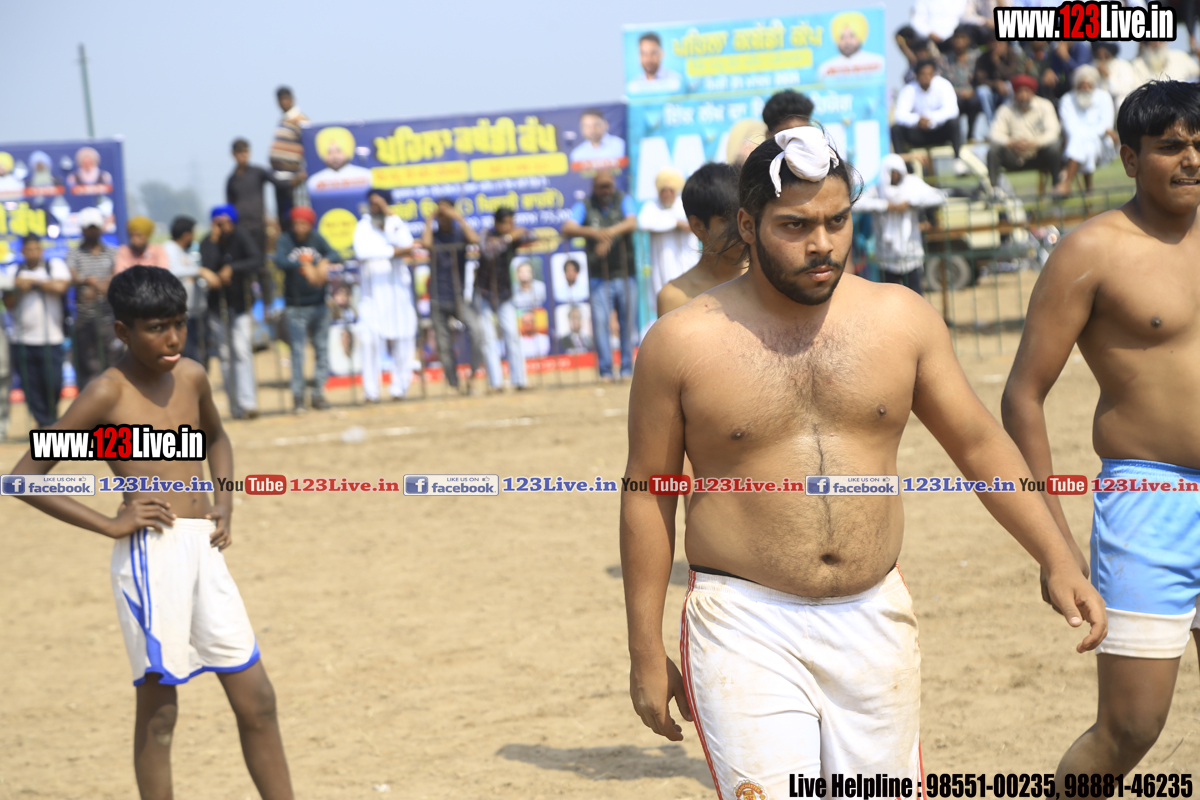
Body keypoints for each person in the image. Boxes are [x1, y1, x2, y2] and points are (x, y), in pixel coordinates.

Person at [621, 126, 1106, 796]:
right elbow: (648, 492)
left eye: (837, 221)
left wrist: (1055, 555)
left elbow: (977, 443)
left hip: (875, 614)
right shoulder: (680, 342)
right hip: (743, 621)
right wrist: (645, 649)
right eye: (795, 226)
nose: (821, 243)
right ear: (748, 224)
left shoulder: (901, 318)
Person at [8, 265, 294, 800]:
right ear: (123, 331)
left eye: (179, 323)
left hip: (204, 550)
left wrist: (224, 501)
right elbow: (22, 479)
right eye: (157, 327)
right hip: (150, 558)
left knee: (258, 699)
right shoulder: (106, 394)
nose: (173, 338)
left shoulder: (191, 376)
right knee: (161, 713)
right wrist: (109, 523)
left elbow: (216, 438)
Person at [1002, 80, 1200, 781]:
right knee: (1130, 728)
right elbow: (1023, 396)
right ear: (1129, 157)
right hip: (1151, 501)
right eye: (1171, 146)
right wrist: (1052, 539)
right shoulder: (1092, 250)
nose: (1191, 159)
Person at [560, 171, 638, 380]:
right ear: (594, 187)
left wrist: (608, 233)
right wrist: (594, 233)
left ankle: (626, 369)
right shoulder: (585, 205)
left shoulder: (623, 199)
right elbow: (568, 226)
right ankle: (605, 371)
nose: (606, 190)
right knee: (601, 324)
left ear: (613, 186)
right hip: (598, 277)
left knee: (627, 323)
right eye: (601, 186)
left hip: (626, 273)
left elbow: (632, 222)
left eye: (608, 186)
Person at [656, 162, 745, 317]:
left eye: (746, 217)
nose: (743, 229)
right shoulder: (675, 298)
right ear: (698, 226)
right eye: (728, 221)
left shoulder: (769, 280)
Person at [354, 190, 418, 403]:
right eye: (372, 204)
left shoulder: (395, 222)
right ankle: (371, 392)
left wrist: (389, 215)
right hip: (372, 294)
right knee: (369, 340)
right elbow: (362, 252)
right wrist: (393, 252)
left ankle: (400, 388)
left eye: (379, 204)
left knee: (404, 338)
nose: (375, 208)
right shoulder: (363, 226)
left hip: (398, 292)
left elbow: (408, 244)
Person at [200, 204, 260, 420]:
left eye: (226, 222)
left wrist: (233, 268)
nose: (223, 226)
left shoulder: (241, 236)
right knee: (225, 356)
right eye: (218, 223)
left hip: (240, 304)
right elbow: (207, 264)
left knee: (242, 351)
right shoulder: (208, 242)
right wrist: (214, 241)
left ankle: (248, 402)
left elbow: (256, 259)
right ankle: (234, 405)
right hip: (217, 307)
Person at [420, 198, 486, 394]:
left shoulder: (459, 233)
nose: (443, 217)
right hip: (437, 298)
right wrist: (431, 218)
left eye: (446, 212)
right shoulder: (433, 235)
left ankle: (473, 377)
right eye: (440, 213)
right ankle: (453, 384)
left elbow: (475, 240)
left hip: (459, 297)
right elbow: (425, 244)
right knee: (443, 344)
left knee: (476, 332)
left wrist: (458, 217)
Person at [277, 206, 339, 412]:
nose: (299, 227)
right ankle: (298, 397)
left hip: (319, 304)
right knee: (297, 352)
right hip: (296, 306)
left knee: (321, 349)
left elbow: (335, 253)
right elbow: (279, 260)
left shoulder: (316, 238)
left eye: (303, 223)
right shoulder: (286, 239)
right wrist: (304, 265)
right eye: (296, 223)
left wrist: (323, 261)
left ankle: (318, 394)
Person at [4, 234, 70, 427]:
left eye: (36, 249)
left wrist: (34, 283)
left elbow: (61, 286)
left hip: (52, 337)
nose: (33, 253)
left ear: (41, 250)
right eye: (29, 250)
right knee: (31, 386)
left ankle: (51, 419)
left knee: (53, 383)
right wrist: (17, 286)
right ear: (22, 251)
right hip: (22, 339)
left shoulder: (54, 266)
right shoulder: (14, 271)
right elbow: (8, 303)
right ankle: (44, 423)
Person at [856, 154, 946, 293]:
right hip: (886, 256)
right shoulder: (878, 189)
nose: (895, 176)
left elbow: (939, 196)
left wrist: (911, 202)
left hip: (911, 253)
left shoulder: (912, 184)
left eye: (898, 172)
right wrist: (886, 206)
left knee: (915, 296)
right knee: (890, 298)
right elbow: (856, 204)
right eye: (892, 173)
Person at [473, 207, 537, 391]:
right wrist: (508, 238)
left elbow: (532, 236)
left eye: (511, 223)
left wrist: (515, 235)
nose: (510, 226)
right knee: (488, 338)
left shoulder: (512, 234)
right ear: (497, 223)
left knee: (512, 335)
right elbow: (488, 251)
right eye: (506, 223)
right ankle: (496, 383)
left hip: (504, 293)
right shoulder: (486, 234)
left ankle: (519, 381)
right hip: (484, 292)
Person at [68, 206, 120, 390]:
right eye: (88, 228)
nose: (92, 232)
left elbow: (116, 278)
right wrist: (92, 282)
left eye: (95, 228)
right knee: (88, 368)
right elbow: (74, 276)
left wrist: (93, 284)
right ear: (82, 229)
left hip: (109, 319)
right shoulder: (74, 253)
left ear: (101, 228)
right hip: (85, 319)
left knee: (113, 366)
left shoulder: (112, 252)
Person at [987, 74, 1062, 189]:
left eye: (1026, 91)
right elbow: (994, 134)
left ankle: (1057, 188)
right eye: (1019, 92)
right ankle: (993, 189)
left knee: (1054, 148)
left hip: (1038, 153)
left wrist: (1035, 142)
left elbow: (1053, 132)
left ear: (1032, 92)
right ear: (1014, 93)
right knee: (993, 150)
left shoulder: (1045, 105)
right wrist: (1010, 142)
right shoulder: (1005, 108)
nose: (1023, 96)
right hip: (1014, 155)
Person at [1055, 65, 1118, 195]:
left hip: (1101, 144)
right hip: (1077, 141)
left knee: (1081, 141)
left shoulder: (1104, 97)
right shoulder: (1067, 99)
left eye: (1088, 84)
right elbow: (1069, 127)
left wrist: (1085, 133)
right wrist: (1088, 133)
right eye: (1081, 84)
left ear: (1094, 84)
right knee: (1085, 145)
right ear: (1076, 85)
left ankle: (1067, 180)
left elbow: (1106, 126)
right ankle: (1088, 190)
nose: (1085, 87)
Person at [164, 215, 217, 363]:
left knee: (203, 355)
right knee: (190, 356)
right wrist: (200, 271)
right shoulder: (169, 248)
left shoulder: (187, 251)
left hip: (198, 312)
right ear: (186, 234)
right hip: (183, 315)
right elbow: (172, 271)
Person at [638, 167, 695, 300]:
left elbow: (692, 222)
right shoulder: (651, 207)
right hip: (662, 267)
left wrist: (678, 223)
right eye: (663, 190)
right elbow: (643, 223)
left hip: (687, 264)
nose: (667, 194)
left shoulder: (684, 204)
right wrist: (676, 223)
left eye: (671, 190)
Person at [226, 139, 281, 266]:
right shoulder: (232, 180)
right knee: (243, 262)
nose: (243, 155)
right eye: (240, 152)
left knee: (260, 262)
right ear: (233, 154)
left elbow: (279, 183)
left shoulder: (258, 172)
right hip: (240, 228)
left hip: (258, 226)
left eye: (245, 152)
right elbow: (229, 206)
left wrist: (295, 179)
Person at [892, 59, 962, 157]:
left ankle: (958, 159)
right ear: (916, 75)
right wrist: (917, 120)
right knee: (895, 129)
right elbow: (899, 115)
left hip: (939, 132)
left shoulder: (943, 85)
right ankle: (904, 164)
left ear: (934, 74)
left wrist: (931, 118)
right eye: (923, 74)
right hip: (919, 133)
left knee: (954, 123)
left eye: (929, 74)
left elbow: (953, 110)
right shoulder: (909, 89)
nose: (926, 77)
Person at [269, 86, 309, 231]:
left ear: (292, 100)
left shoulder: (300, 120)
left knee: (295, 218)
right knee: (283, 220)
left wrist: (303, 173)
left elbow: (309, 145)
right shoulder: (283, 120)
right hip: (280, 178)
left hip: (294, 179)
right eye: (281, 100)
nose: (283, 102)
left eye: (286, 99)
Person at [942, 25, 984, 140]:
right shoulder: (945, 59)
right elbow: (942, 82)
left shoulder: (977, 56)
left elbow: (983, 77)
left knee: (974, 101)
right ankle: (953, 137)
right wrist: (955, 91)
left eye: (962, 37)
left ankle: (972, 134)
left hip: (972, 94)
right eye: (956, 38)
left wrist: (972, 90)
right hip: (953, 95)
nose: (959, 41)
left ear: (968, 40)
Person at [818, 10, 884, 81]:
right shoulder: (825, 69)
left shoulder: (878, 62)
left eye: (851, 36)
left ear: (860, 36)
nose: (847, 41)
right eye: (842, 37)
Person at [306, 126, 372, 196]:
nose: (334, 156)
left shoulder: (367, 176)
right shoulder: (314, 182)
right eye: (329, 152)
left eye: (338, 151)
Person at [974, 39, 1023, 127]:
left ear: (1005, 43)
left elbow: (1014, 76)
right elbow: (980, 79)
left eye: (1000, 42)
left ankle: (1007, 123)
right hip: (991, 90)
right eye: (993, 42)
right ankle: (991, 125)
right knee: (982, 91)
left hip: (1006, 91)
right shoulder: (984, 57)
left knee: (1009, 86)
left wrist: (998, 63)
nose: (996, 45)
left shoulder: (1012, 55)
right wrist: (995, 84)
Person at [1092, 42, 1138, 114]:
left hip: (1118, 103)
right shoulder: (1093, 66)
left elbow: (1124, 90)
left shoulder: (1123, 66)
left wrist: (1107, 75)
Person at [1131, 41, 1200, 86]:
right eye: (1153, 40)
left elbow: (1196, 74)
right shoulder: (1138, 66)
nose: (1157, 44)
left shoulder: (1179, 56)